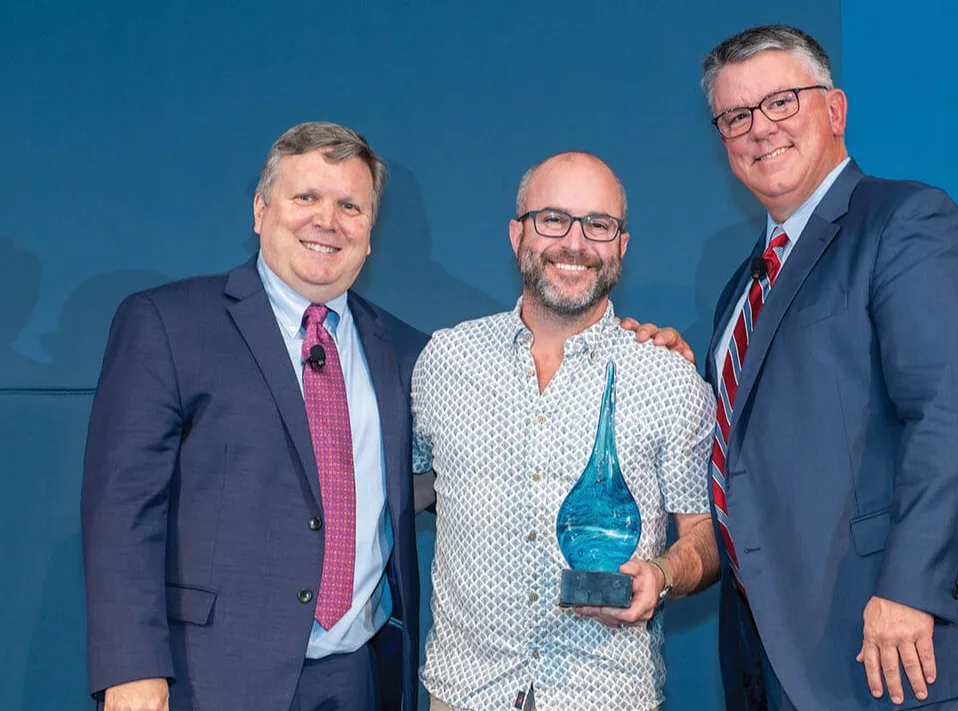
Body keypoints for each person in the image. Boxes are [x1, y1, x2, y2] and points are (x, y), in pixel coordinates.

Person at [691, 24, 958, 710]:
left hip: (901, 648)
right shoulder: (742, 288)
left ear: (834, 109)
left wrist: (910, 588)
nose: (759, 129)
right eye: (735, 116)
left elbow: (952, 409)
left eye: (780, 102)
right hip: (788, 656)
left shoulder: (906, 221)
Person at [81, 122, 427, 711]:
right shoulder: (168, 324)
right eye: (306, 198)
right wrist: (131, 669)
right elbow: (122, 511)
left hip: (360, 678)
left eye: (351, 205)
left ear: (370, 235)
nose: (328, 220)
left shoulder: (410, 352)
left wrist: (621, 341)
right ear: (261, 210)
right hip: (209, 676)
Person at [410, 151, 720, 710]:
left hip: (605, 696)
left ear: (621, 245)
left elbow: (708, 534)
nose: (574, 243)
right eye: (552, 219)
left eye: (597, 225)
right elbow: (409, 492)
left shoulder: (667, 379)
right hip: (464, 693)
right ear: (517, 233)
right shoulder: (444, 361)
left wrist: (662, 574)